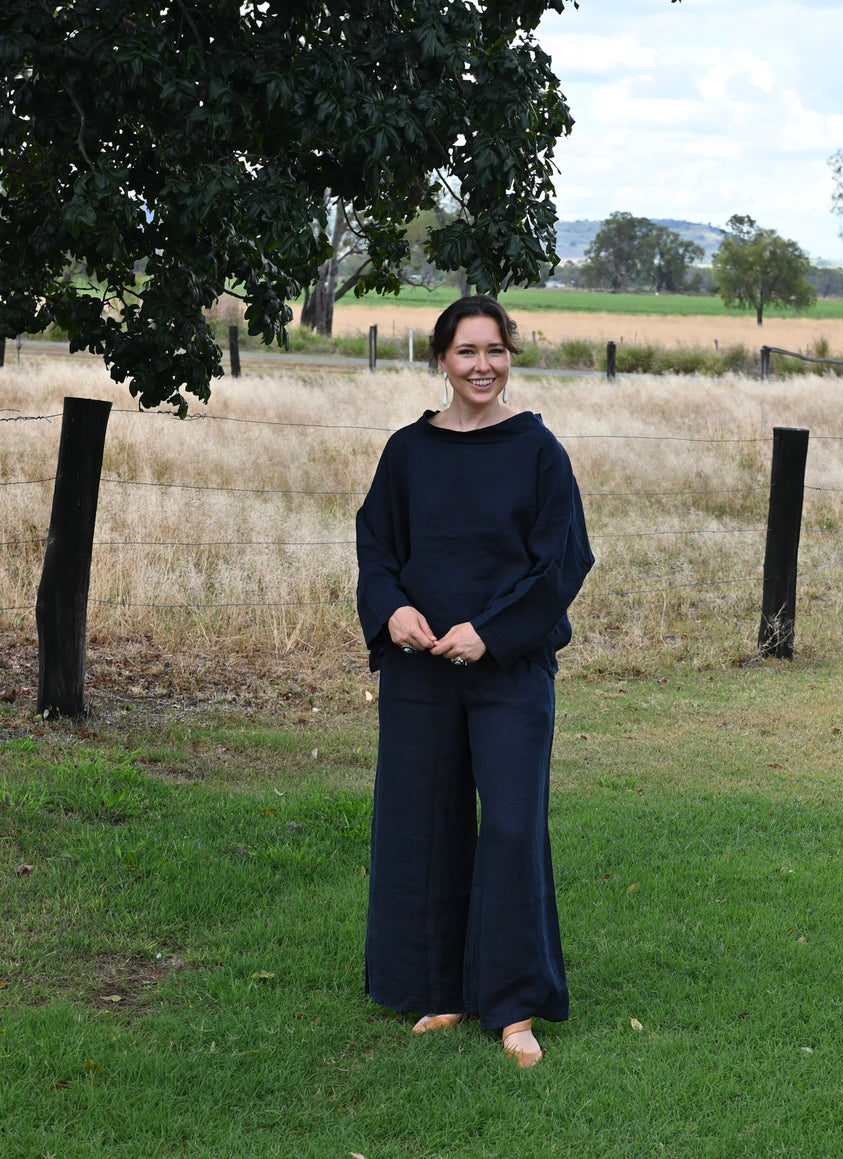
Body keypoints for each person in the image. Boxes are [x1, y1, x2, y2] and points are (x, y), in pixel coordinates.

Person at [355, 294, 593, 1067]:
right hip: (420, 669)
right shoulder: (407, 452)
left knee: (514, 827)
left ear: (510, 356)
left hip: (510, 666)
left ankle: (515, 1006)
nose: (482, 366)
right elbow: (376, 548)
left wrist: (489, 632)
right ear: (441, 360)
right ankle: (441, 990)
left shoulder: (538, 452)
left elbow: (560, 564)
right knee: (425, 824)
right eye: (467, 352)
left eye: (495, 350)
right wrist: (391, 611)